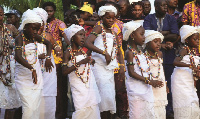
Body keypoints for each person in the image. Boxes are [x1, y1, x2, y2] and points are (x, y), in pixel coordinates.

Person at [85, 5, 125, 119]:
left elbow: (118, 51)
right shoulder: (98, 28)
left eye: (113, 18)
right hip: (98, 65)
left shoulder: (114, 32)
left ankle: (108, 115)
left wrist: (121, 66)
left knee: (109, 95)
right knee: (103, 93)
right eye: (108, 18)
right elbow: (88, 43)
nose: (111, 20)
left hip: (109, 67)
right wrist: (104, 53)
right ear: (102, 17)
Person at [14, 9, 53, 119]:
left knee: (35, 108)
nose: (36, 31)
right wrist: (32, 69)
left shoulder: (35, 37)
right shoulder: (19, 39)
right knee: (28, 108)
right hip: (23, 78)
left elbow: (49, 44)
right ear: (25, 26)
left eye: (37, 29)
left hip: (36, 78)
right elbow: (18, 56)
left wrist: (48, 57)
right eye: (33, 28)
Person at [143, 0, 179, 117]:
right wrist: (165, 36)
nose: (165, 7)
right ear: (156, 6)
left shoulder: (171, 19)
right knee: (153, 80)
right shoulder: (149, 18)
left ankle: (168, 109)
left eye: (166, 5)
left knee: (167, 81)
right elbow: (147, 34)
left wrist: (157, 35)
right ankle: (153, 107)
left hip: (168, 56)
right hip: (152, 56)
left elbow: (175, 35)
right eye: (162, 5)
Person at [123, 21, 163, 119]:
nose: (144, 37)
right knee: (137, 113)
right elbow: (131, 73)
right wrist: (149, 81)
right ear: (132, 35)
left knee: (147, 112)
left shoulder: (140, 52)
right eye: (141, 34)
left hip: (145, 87)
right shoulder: (129, 53)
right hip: (136, 89)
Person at [62, 24, 101, 119]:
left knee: (92, 107)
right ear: (72, 37)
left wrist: (90, 61)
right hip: (78, 85)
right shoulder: (68, 53)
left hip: (89, 84)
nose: (83, 37)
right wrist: (80, 62)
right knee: (81, 108)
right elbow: (64, 72)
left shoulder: (82, 51)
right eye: (80, 35)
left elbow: (84, 64)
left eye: (84, 35)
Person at [33, 7, 62, 119]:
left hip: (48, 69)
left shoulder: (48, 36)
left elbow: (55, 46)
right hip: (33, 68)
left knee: (48, 95)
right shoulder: (27, 37)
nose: (39, 26)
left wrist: (58, 50)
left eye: (41, 23)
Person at [42, 2, 69, 118]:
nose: (48, 13)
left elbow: (67, 37)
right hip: (41, 58)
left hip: (57, 59)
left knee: (58, 89)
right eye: (46, 11)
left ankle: (59, 114)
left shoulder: (59, 23)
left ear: (54, 11)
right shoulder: (39, 24)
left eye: (51, 11)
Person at [171, 25, 200, 119]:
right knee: (185, 103)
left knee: (192, 102)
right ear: (187, 40)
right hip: (180, 81)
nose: (198, 41)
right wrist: (190, 66)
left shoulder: (193, 52)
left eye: (198, 39)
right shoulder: (184, 50)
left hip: (189, 81)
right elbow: (175, 62)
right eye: (195, 39)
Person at [0, 5, 21, 119]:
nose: (1, 17)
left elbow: (20, 41)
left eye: (1, 14)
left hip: (10, 68)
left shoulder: (10, 28)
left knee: (11, 103)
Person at [143, 30, 168, 119]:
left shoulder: (160, 54)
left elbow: (161, 70)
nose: (158, 44)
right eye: (155, 42)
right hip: (149, 85)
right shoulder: (143, 56)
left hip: (160, 85)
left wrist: (165, 84)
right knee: (151, 106)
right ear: (147, 43)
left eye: (160, 42)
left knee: (160, 107)